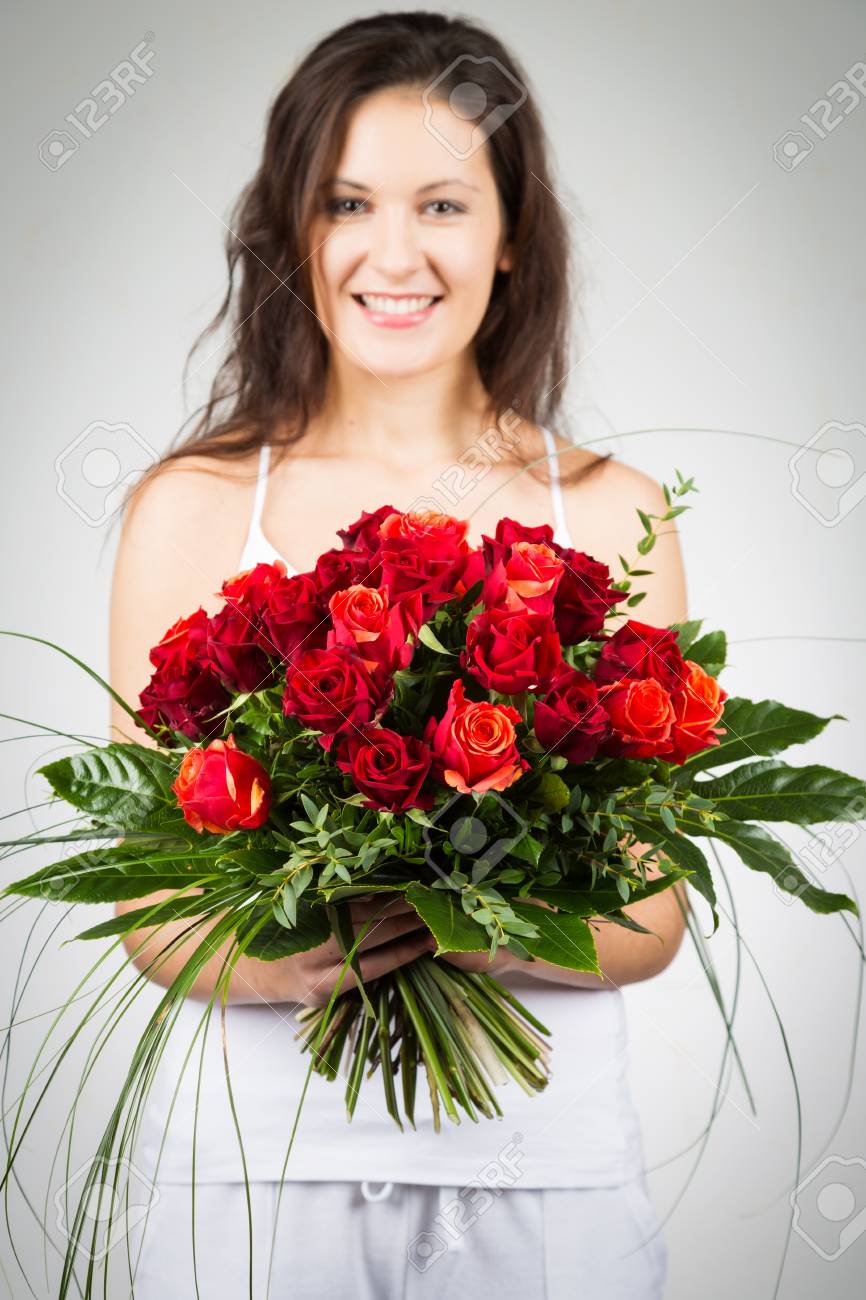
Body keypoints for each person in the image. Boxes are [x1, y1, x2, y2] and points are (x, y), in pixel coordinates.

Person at [108, 12, 689, 1298]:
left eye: (440, 203)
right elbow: (150, 901)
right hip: (254, 1169)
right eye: (346, 203)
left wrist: (471, 927)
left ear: (511, 232)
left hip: (543, 1169)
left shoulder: (602, 511)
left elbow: (649, 913)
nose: (392, 254)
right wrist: (282, 959)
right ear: (294, 233)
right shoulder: (190, 506)